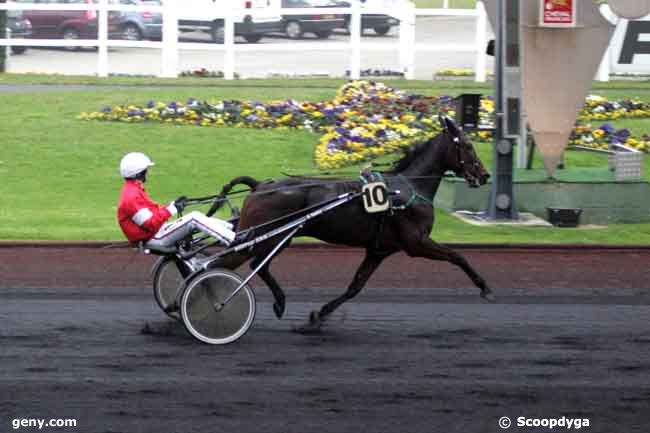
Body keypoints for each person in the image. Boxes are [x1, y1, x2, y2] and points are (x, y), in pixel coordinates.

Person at [117, 152, 236, 251]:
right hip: (154, 238)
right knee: (194, 218)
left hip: (156, 233)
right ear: (139, 173)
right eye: (146, 170)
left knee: (197, 216)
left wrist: (173, 205)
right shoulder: (131, 196)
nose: (148, 172)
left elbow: (153, 216)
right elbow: (150, 223)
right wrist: (172, 209)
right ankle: (233, 240)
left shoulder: (133, 190)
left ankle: (231, 228)